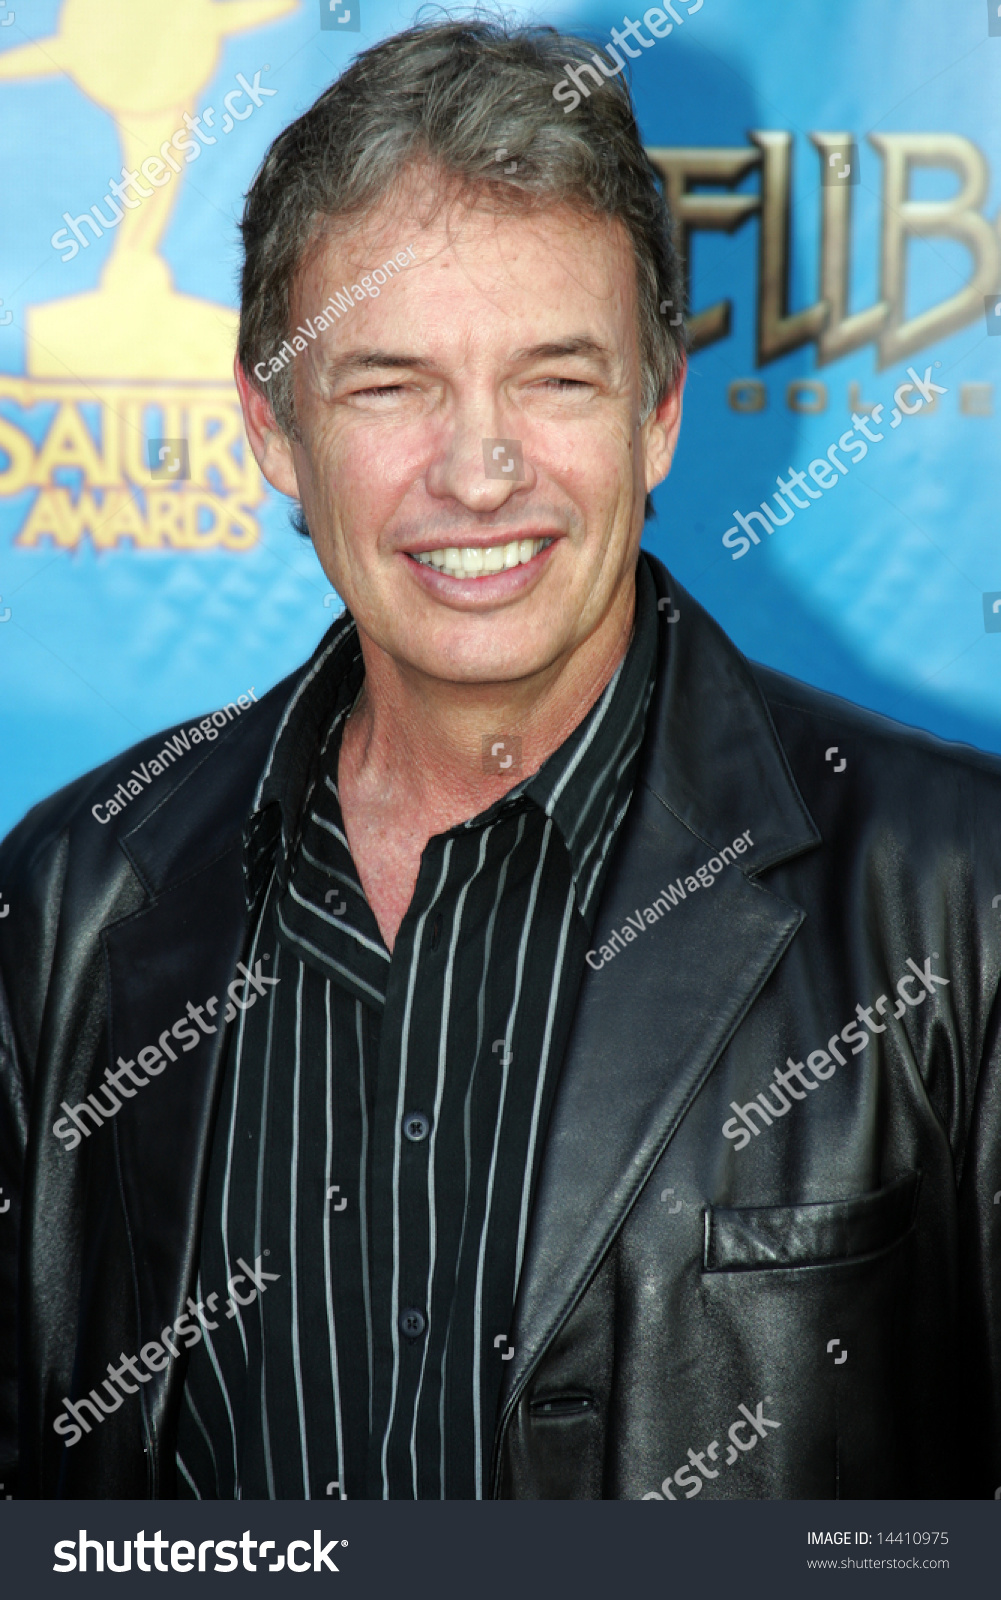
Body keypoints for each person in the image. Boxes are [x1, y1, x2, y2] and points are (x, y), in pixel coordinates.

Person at [1, 20, 999, 1502]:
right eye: (391, 385)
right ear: (273, 428)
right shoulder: (79, 892)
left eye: (555, 380)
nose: (479, 472)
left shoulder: (953, 899)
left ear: (659, 413)